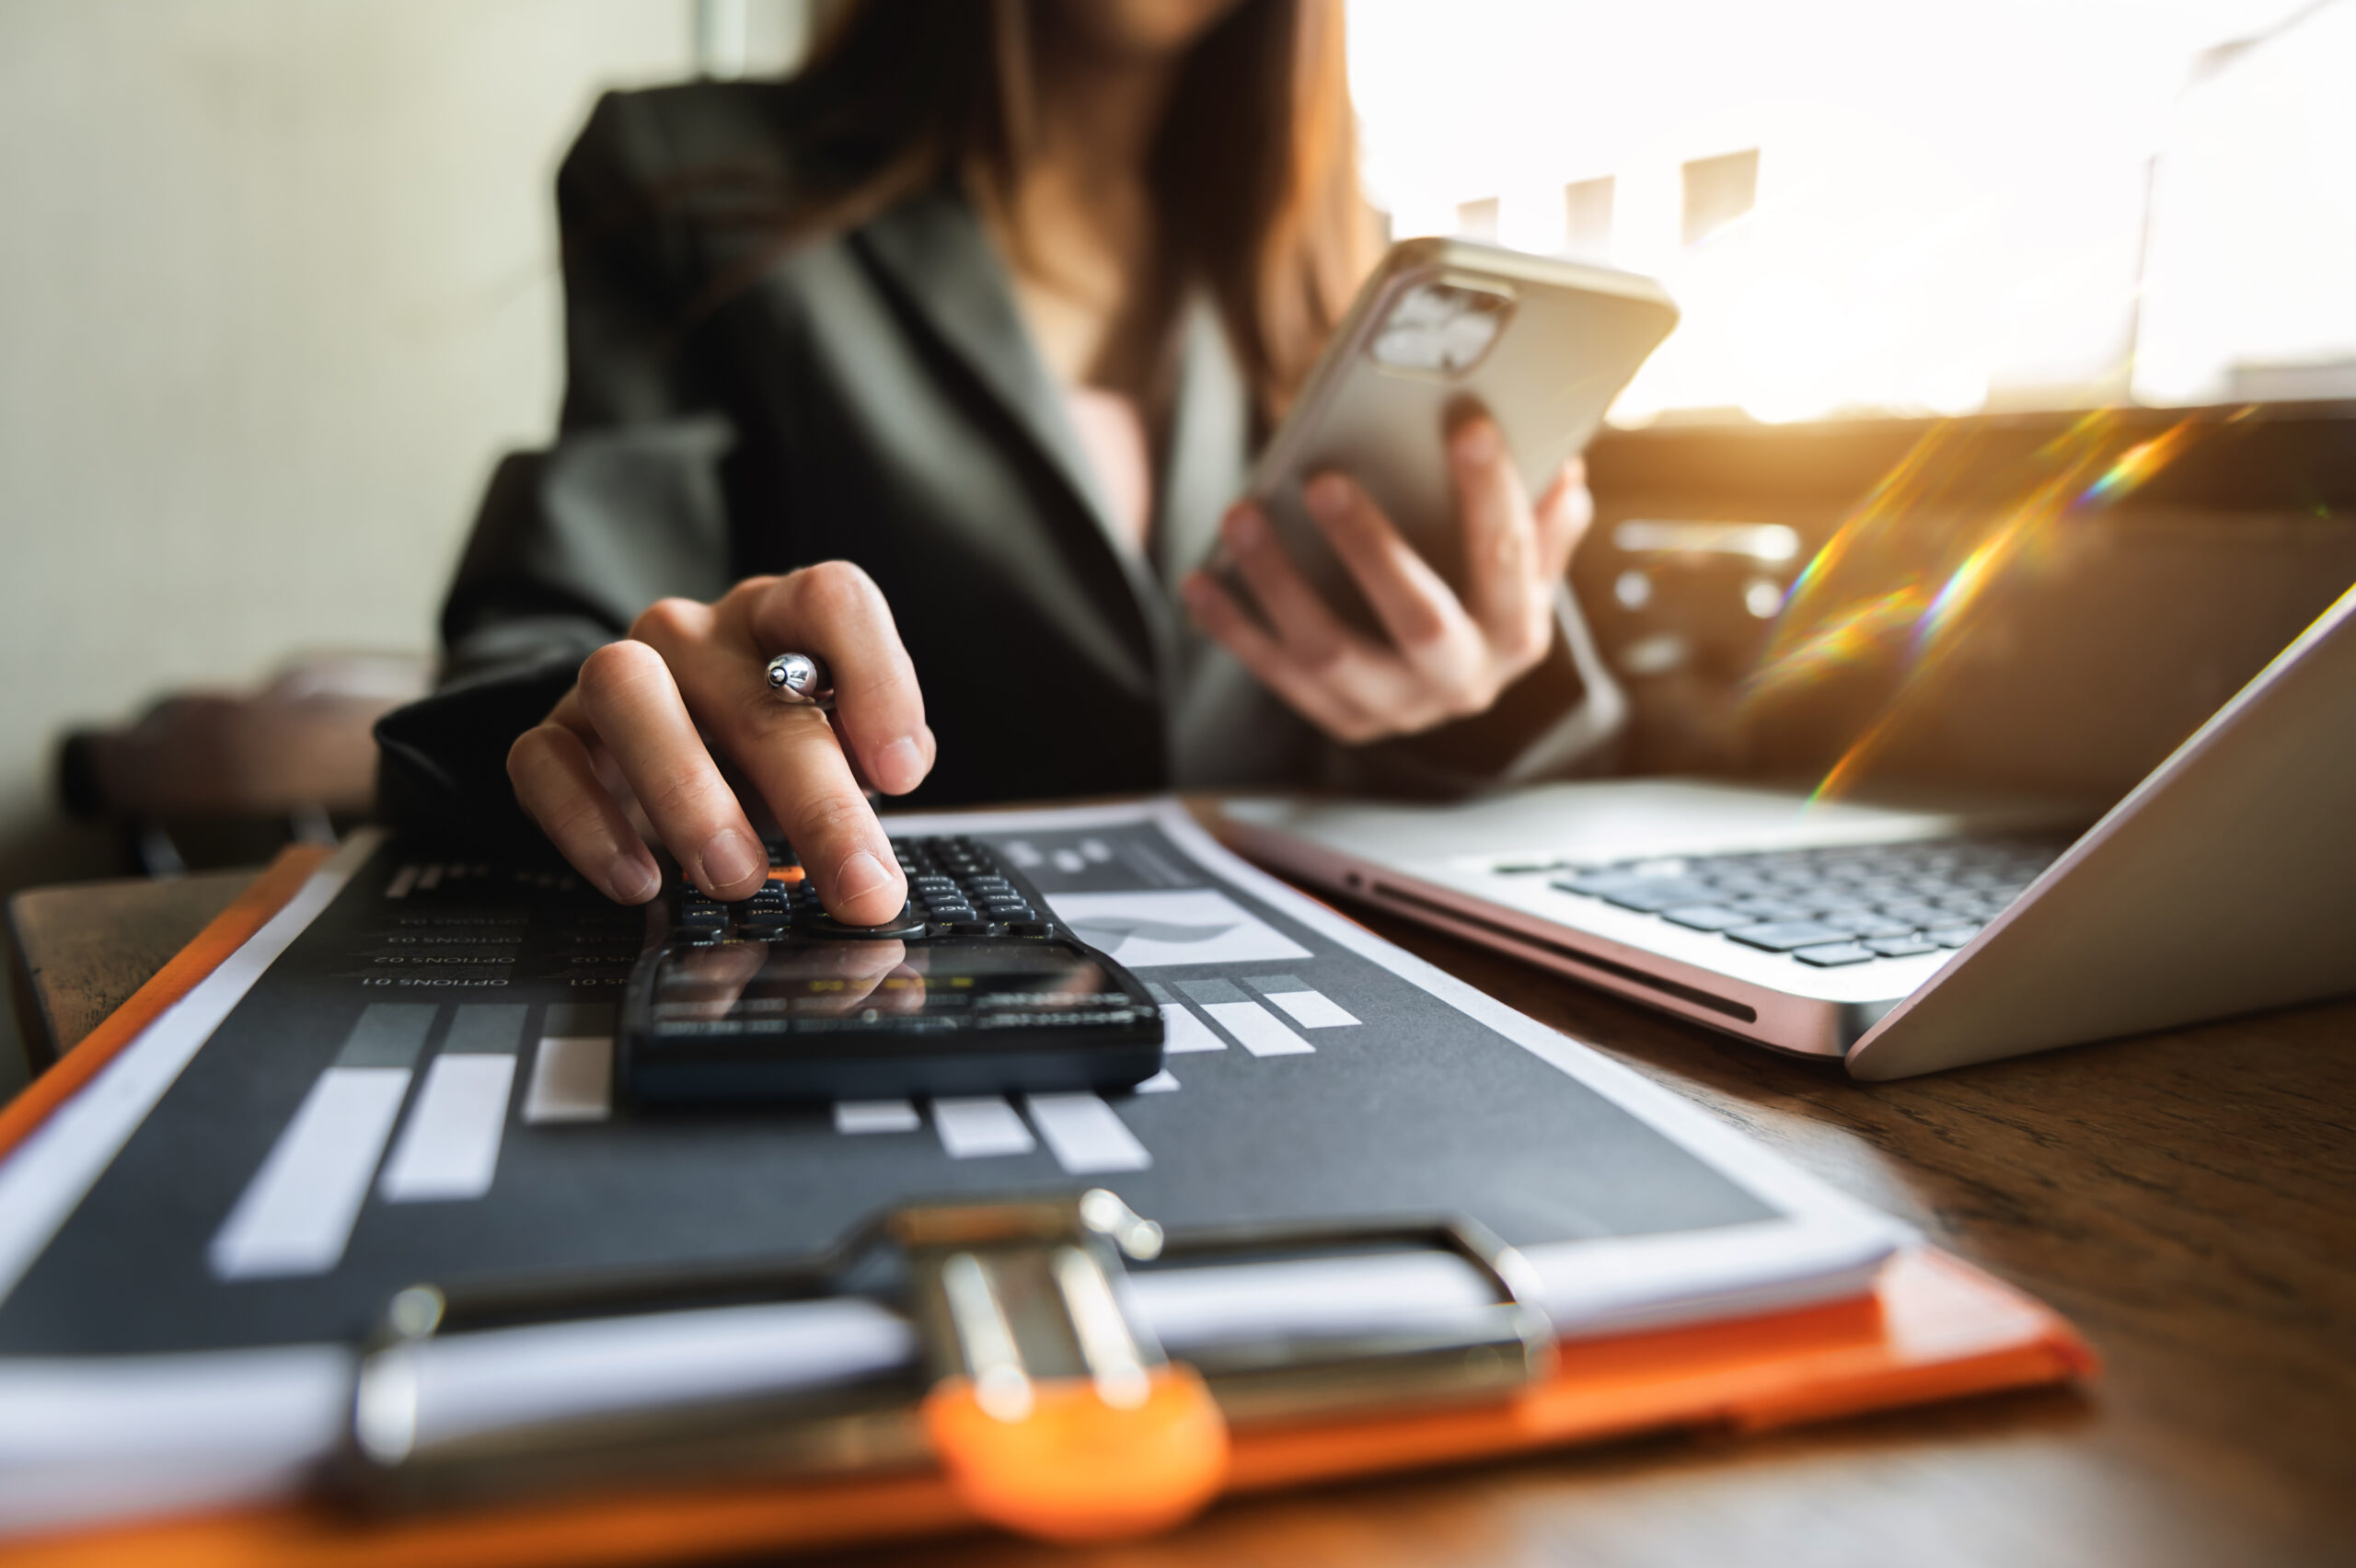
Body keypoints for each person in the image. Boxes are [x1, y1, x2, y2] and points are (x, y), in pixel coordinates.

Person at [375, 0, 1622, 927]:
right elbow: (549, 657)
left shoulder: (1342, 260)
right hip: (876, 985)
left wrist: (1467, 697)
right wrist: (620, 717)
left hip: (1315, 987)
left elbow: (1514, 746)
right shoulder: (686, 169)